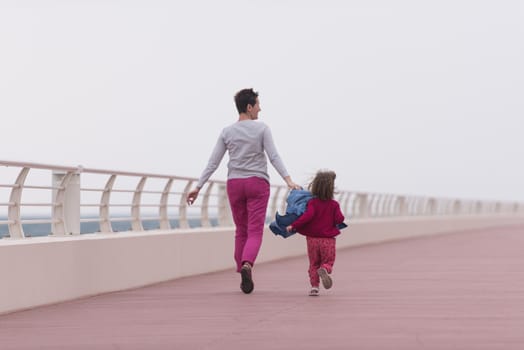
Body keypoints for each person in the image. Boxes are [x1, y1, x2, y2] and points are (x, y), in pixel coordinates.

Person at [186, 88, 300, 294]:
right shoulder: (262, 129)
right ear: (249, 107)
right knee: (255, 231)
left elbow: (214, 162)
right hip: (257, 183)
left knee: (241, 230)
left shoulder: (227, 131)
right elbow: (274, 156)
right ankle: (248, 264)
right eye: (257, 104)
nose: (260, 108)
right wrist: (288, 180)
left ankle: (242, 270)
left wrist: (198, 186)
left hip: (235, 184)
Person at [286, 170, 345, 296]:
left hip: (312, 239)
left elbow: (307, 217)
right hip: (327, 240)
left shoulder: (312, 203)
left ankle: (314, 287)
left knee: (313, 263)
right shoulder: (334, 205)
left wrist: (293, 225)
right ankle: (325, 269)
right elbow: (340, 219)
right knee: (328, 261)